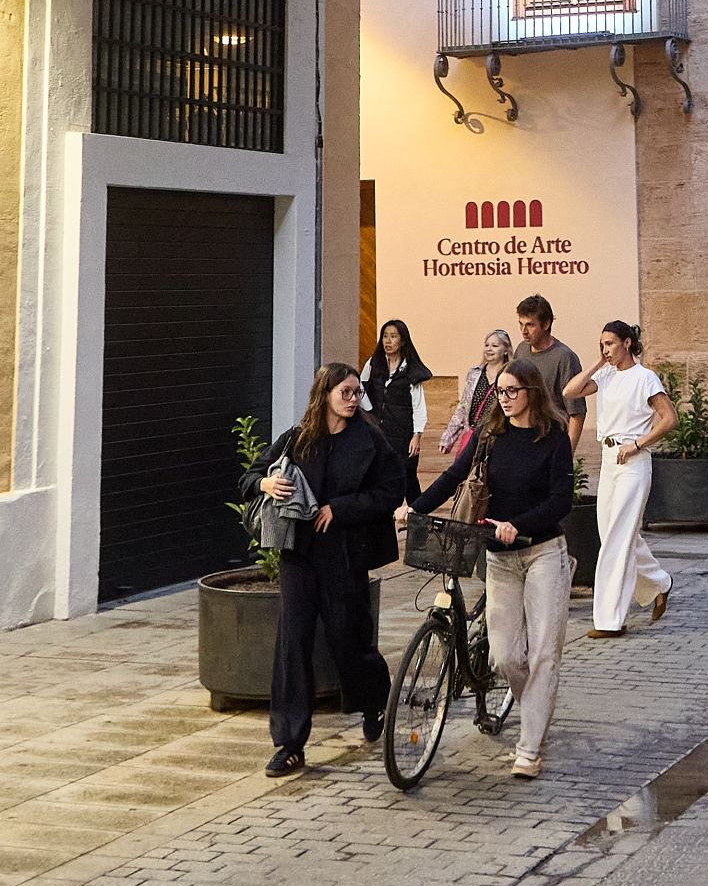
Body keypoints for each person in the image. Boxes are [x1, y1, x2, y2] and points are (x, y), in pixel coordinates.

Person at [412, 357, 573, 779]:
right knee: (505, 657)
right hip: (499, 560)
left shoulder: (553, 436)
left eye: (511, 391)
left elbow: (561, 501)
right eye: (499, 392)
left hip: (543, 553)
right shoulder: (489, 434)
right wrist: (415, 508)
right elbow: (454, 476)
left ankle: (530, 746)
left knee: (542, 655)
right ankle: (538, 712)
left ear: (532, 392)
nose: (503, 399)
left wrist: (518, 525)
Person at [244, 361, 403, 777]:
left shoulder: (369, 439)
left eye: (356, 393)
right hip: (299, 554)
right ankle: (290, 743)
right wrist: (266, 484)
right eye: (345, 393)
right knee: (292, 644)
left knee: (348, 639)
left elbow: (390, 491)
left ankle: (375, 703)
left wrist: (342, 508)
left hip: (345, 554)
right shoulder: (299, 438)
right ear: (325, 394)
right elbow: (249, 476)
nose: (353, 400)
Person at [563, 323, 677, 639]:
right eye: (602, 344)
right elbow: (569, 391)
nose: (606, 349)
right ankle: (659, 582)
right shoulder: (606, 375)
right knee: (616, 533)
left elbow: (670, 419)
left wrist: (639, 443)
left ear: (627, 343)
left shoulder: (645, 378)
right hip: (610, 459)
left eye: (611, 344)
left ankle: (610, 620)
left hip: (634, 461)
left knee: (616, 540)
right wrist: (599, 363)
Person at [360, 319, 432, 503]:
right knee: (379, 474)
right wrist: (369, 412)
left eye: (393, 337)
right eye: (385, 336)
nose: (388, 341)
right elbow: (360, 388)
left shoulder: (410, 370)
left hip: (403, 434)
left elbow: (418, 406)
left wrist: (417, 435)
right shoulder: (373, 363)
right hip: (378, 431)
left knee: (407, 477)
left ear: (403, 341)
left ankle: (416, 515)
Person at [515, 296, 587, 451]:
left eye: (530, 325)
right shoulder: (521, 350)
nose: (524, 331)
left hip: (551, 439)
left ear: (546, 324)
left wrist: (567, 453)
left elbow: (576, 413)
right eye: (520, 324)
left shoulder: (565, 357)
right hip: (524, 437)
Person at [438, 328, 513, 456]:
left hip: (496, 439)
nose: (489, 349)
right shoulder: (475, 373)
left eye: (494, 346)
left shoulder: (510, 376)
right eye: (486, 345)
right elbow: (462, 407)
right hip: (471, 437)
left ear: (506, 350)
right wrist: (448, 438)